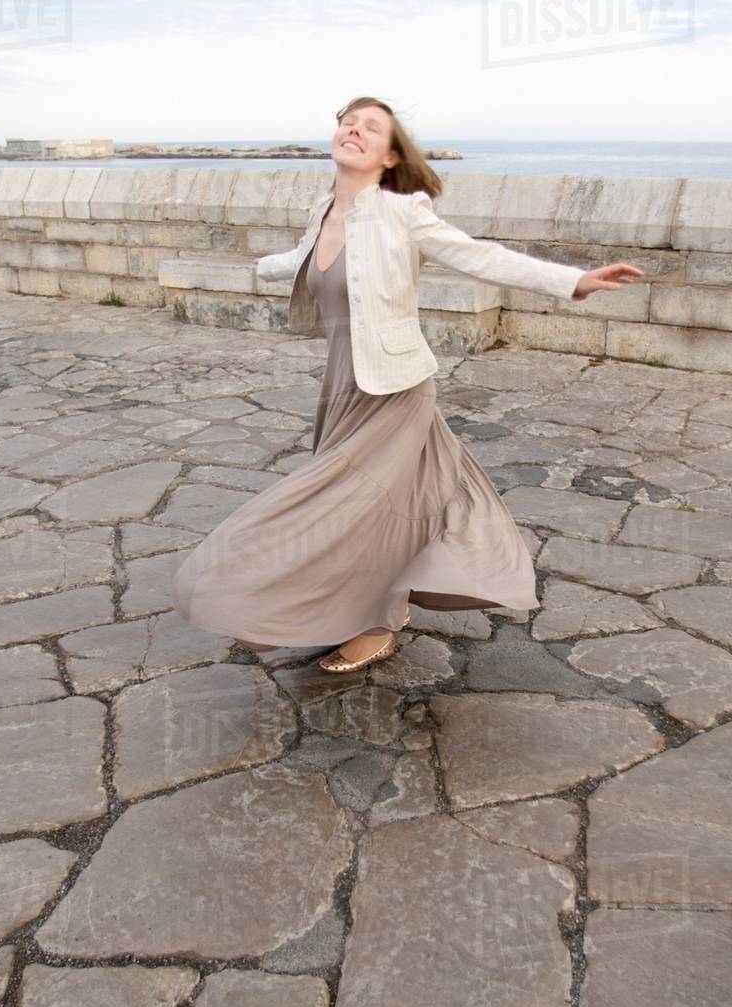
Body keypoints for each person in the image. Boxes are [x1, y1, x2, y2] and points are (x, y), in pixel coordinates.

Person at [171, 96, 644, 672]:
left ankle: (373, 624)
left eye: (371, 128)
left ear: (390, 156)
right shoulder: (325, 209)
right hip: (343, 383)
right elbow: (305, 259)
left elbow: (479, 257)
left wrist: (574, 282)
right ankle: (375, 604)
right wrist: (256, 267)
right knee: (377, 508)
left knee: (342, 505)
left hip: (393, 387)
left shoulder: (402, 211)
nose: (354, 130)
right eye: (348, 122)